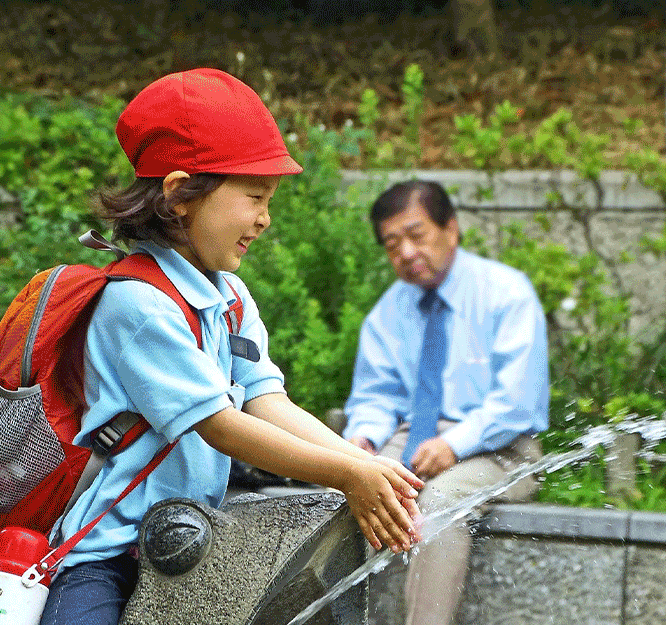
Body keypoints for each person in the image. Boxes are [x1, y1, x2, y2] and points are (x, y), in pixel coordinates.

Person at [39, 68, 423, 625]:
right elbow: (221, 425)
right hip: (108, 554)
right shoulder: (138, 306)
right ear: (179, 195)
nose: (265, 218)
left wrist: (366, 466)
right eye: (254, 197)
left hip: (191, 543)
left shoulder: (230, 297)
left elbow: (267, 403)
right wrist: (345, 476)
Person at [343, 180, 549, 625]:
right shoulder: (388, 312)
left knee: (443, 500)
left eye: (417, 235)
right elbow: (378, 396)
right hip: (412, 436)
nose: (406, 253)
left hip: (500, 446)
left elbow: (518, 402)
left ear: (451, 229)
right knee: (344, 484)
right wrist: (360, 439)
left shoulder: (506, 292)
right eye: (392, 244)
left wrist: (455, 443)